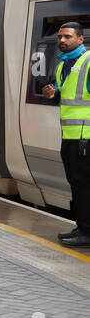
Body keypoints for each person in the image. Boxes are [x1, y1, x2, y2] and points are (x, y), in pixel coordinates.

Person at [41, 21, 90, 246]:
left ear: (80, 39)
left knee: (84, 184)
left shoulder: (88, 62)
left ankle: (87, 233)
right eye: (60, 37)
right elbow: (68, 97)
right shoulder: (63, 65)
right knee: (76, 183)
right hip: (70, 136)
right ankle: (82, 228)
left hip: (85, 137)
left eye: (68, 37)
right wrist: (54, 94)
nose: (62, 40)